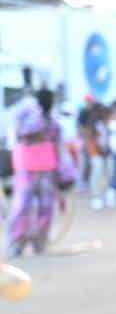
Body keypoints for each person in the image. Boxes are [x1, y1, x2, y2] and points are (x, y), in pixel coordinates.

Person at [6, 88, 73, 255]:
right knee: (22, 205)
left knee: (46, 205)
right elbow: (20, 134)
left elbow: (57, 147)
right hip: (27, 168)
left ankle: (39, 240)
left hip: (47, 167)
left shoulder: (54, 122)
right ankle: (17, 242)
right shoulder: (28, 116)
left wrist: (61, 170)